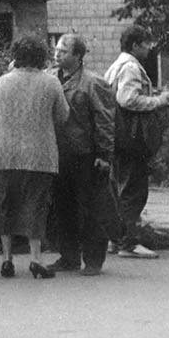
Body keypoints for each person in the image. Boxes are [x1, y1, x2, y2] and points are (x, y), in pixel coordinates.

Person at [0, 34, 70, 279]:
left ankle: (7, 260)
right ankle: (35, 259)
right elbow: (63, 116)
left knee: (5, 206)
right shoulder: (51, 83)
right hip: (39, 156)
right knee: (36, 208)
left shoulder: (2, 83)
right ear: (42, 57)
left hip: (2, 155)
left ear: (15, 56)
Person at [105, 24, 169, 259]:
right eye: (146, 44)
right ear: (135, 45)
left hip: (119, 136)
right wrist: (158, 101)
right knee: (134, 190)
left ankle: (116, 239)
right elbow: (128, 99)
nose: (149, 48)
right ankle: (129, 242)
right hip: (132, 137)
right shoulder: (130, 67)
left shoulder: (117, 65)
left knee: (120, 187)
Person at [48, 33, 116, 277]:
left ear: (78, 56)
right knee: (63, 207)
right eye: (56, 50)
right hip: (58, 153)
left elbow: (105, 120)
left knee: (90, 208)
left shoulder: (93, 82)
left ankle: (94, 260)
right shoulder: (49, 78)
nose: (57, 54)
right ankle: (69, 256)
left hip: (86, 154)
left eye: (63, 51)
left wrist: (104, 154)